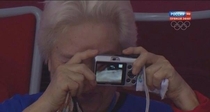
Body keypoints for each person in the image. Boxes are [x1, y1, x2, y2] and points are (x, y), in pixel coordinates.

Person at [1, 1, 210, 112]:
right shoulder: (18, 108)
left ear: (126, 58)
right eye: (71, 63)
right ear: (47, 58)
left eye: (103, 64)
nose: (88, 82)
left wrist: (185, 96)